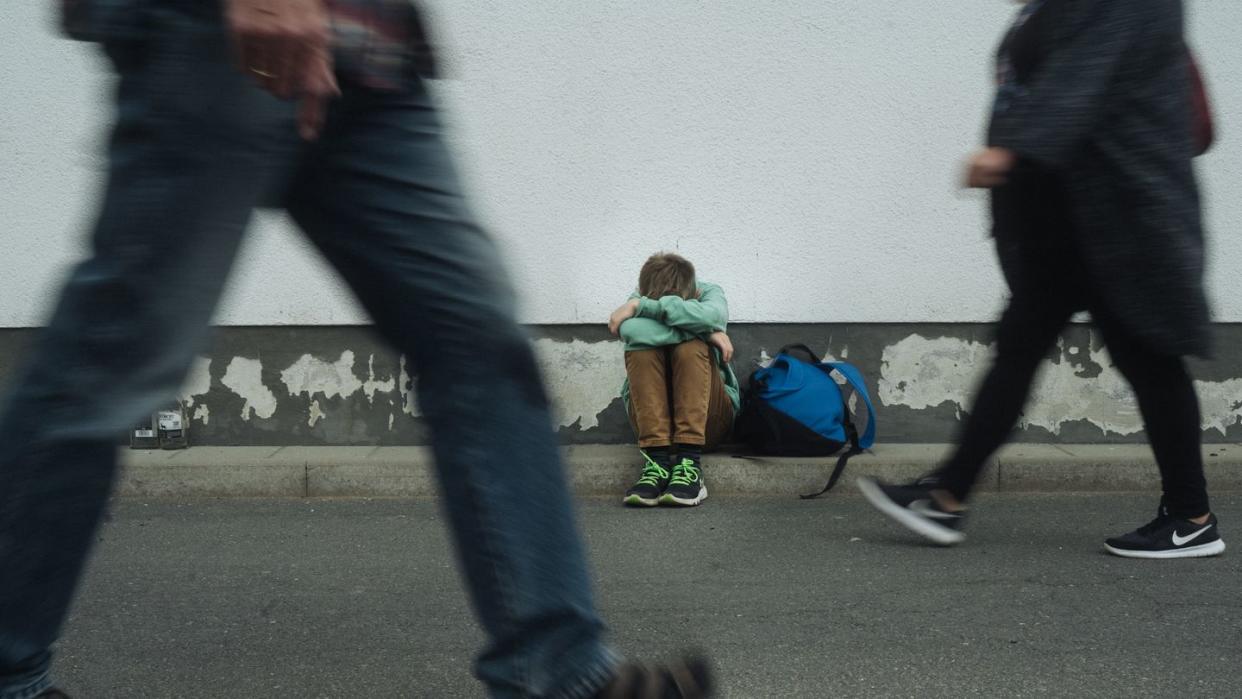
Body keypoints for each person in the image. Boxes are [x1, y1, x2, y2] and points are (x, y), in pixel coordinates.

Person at [0, 2, 714, 697]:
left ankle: (559, 671)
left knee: (478, 342)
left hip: (376, 55)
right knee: (114, 358)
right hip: (219, 31)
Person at [859, 0, 1225, 559]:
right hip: (1067, 222)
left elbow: (1081, 79)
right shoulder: (1049, 9)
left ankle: (1192, 516)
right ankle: (947, 496)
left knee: (1147, 362)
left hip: (1120, 219)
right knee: (1020, 349)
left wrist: (1010, 151)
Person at [608, 253, 739, 508]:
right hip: (654, 429)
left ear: (693, 293)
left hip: (709, 422)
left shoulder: (708, 293)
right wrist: (706, 330)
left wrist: (646, 309)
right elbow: (630, 331)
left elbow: (715, 316)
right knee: (641, 349)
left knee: (690, 348)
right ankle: (657, 463)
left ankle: (690, 465)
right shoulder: (639, 296)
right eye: (651, 301)